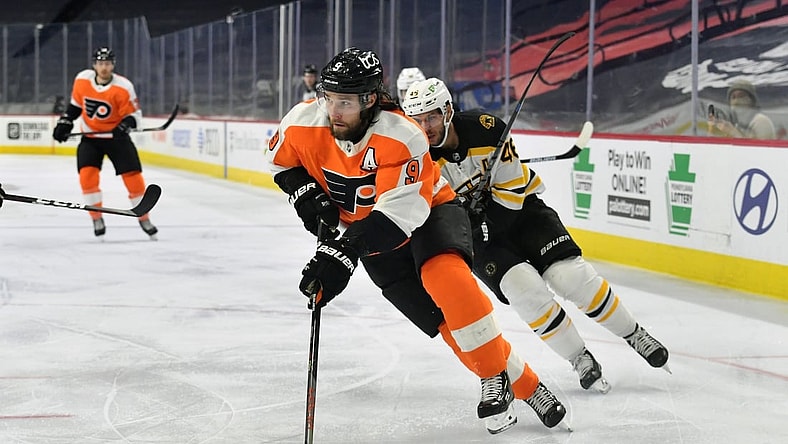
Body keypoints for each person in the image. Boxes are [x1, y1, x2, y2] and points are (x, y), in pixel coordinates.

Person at [266, 47, 567, 435]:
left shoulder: (402, 135)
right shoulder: (303, 122)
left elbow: (396, 216)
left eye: (344, 101)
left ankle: (493, 378)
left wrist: (340, 253)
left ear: (369, 99)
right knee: (445, 325)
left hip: (428, 215)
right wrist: (306, 193)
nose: (333, 110)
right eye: (329, 98)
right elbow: (280, 161)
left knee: (447, 283)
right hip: (370, 236)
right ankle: (528, 387)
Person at [402, 77, 671, 394]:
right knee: (525, 292)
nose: (425, 126)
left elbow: (513, 186)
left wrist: (485, 215)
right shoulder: (415, 158)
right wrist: (467, 221)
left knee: (570, 277)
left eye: (431, 116)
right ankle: (580, 358)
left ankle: (633, 333)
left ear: (447, 110)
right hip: (477, 238)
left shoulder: (487, 130)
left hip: (523, 214)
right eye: (417, 120)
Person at [52, 47, 157, 240]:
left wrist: (125, 125)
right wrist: (65, 122)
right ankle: (96, 217)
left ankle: (144, 217)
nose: (103, 68)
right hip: (90, 140)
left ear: (113, 65)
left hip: (117, 140)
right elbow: (75, 106)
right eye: (100, 64)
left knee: (133, 178)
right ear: (94, 65)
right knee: (87, 178)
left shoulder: (123, 86)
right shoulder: (82, 79)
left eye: (107, 64)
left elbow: (134, 115)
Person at [708, 80, 776, 139]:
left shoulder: (760, 121)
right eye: (733, 97)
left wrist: (733, 132)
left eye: (741, 96)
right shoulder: (737, 124)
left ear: (751, 100)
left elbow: (761, 152)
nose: (737, 101)